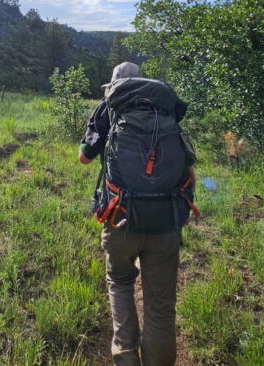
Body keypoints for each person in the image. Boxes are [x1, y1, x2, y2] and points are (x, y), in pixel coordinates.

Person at [79, 62, 195, 366]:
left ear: (113, 86)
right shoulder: (165, 110)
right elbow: (188, 168)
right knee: (161, 306)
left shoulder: (108, 107)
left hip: (120, 217)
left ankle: (126, 357)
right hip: (166, 220)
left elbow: (84, 158)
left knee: (120, 282)